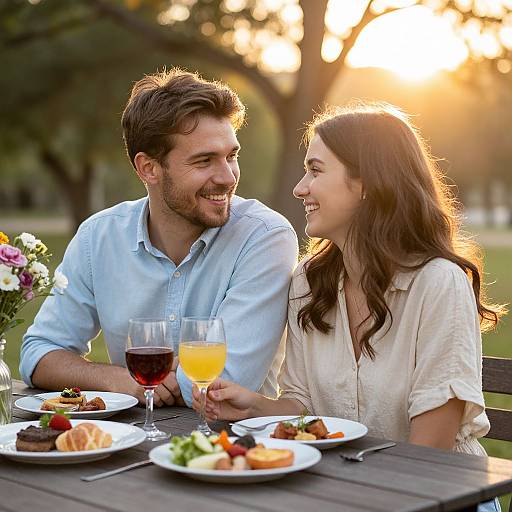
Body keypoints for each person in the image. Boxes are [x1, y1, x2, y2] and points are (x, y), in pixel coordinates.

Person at [193, 102, 505, 510]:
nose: (300, 187)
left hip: (439, 497)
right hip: (346, 493)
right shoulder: (309, 281)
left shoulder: (438, 283)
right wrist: (257, 407)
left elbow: (430, 450)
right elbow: (302, 405)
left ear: (367, 183)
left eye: (316, 170)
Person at [20, 68, 298, 407]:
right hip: (127, 443)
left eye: (231, 155)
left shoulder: (265, 238)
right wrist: (118, 379)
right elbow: (38, 354)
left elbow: (225, 383)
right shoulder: (98, 238)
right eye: (204, 161)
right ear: (148, 168)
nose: (227, 176)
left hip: (237, 450)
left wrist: (142, 380)